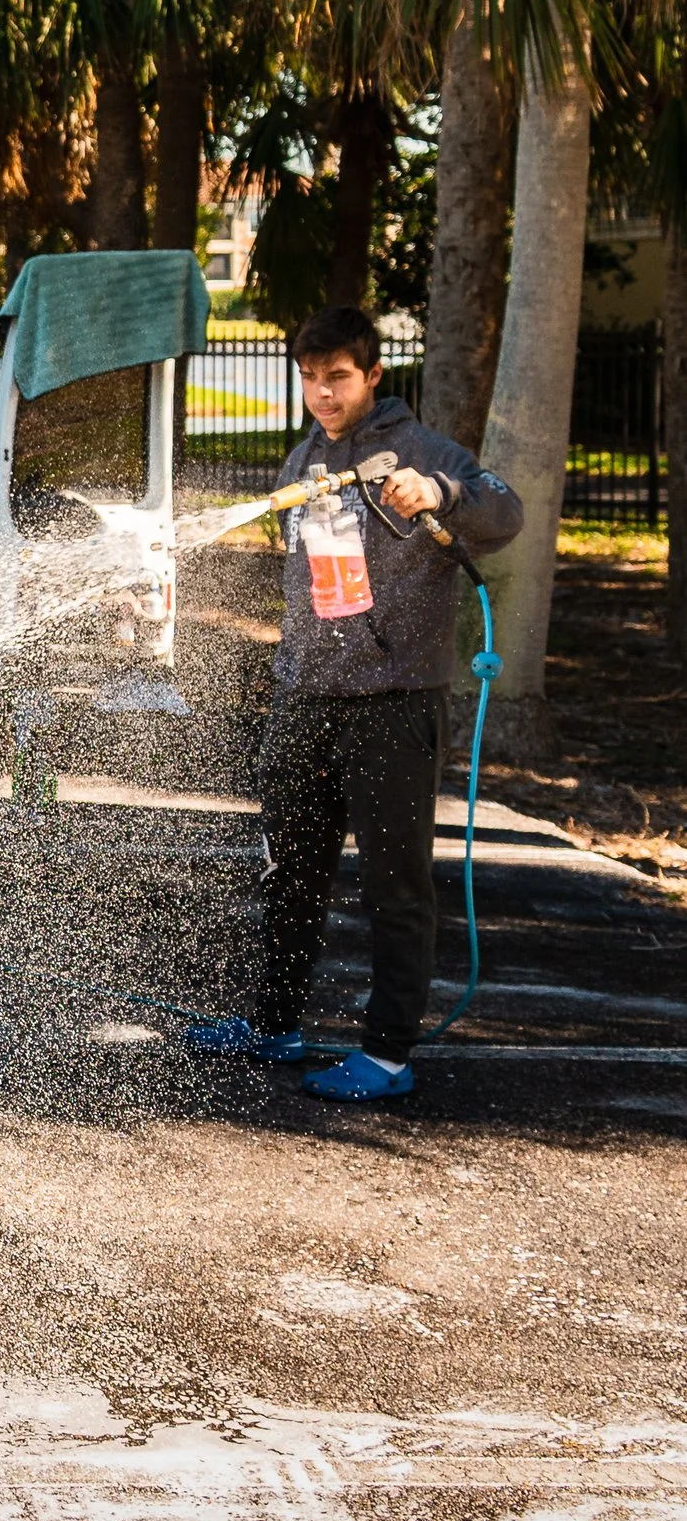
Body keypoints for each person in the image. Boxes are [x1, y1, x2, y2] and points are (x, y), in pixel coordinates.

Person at [188, 304, 523, 1103]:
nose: (321, 392)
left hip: (394, 700)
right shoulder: (303, 456)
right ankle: (274, 1024)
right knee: (289, 872)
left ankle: (387, 1053)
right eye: (308, 377)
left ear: (373, 374)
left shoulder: (422, 453)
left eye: (336, 375)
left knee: (394, 884)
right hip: (305, 696)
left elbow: (504, 509)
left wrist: (439, 490)